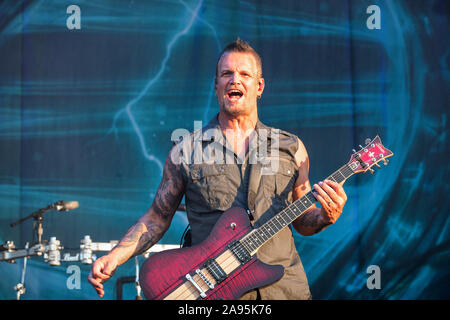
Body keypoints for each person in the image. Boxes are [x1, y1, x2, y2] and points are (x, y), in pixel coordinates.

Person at [88, 38, 347, 300]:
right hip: (215, 293)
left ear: (259, 87)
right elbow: (157, 218)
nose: (235, 80)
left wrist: (326, 215)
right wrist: (115, 256)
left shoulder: (291, 148)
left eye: (245, 74)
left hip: (284, 291)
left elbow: (302, 220)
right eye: (227, 74)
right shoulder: (186, 151)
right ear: (216, 85)